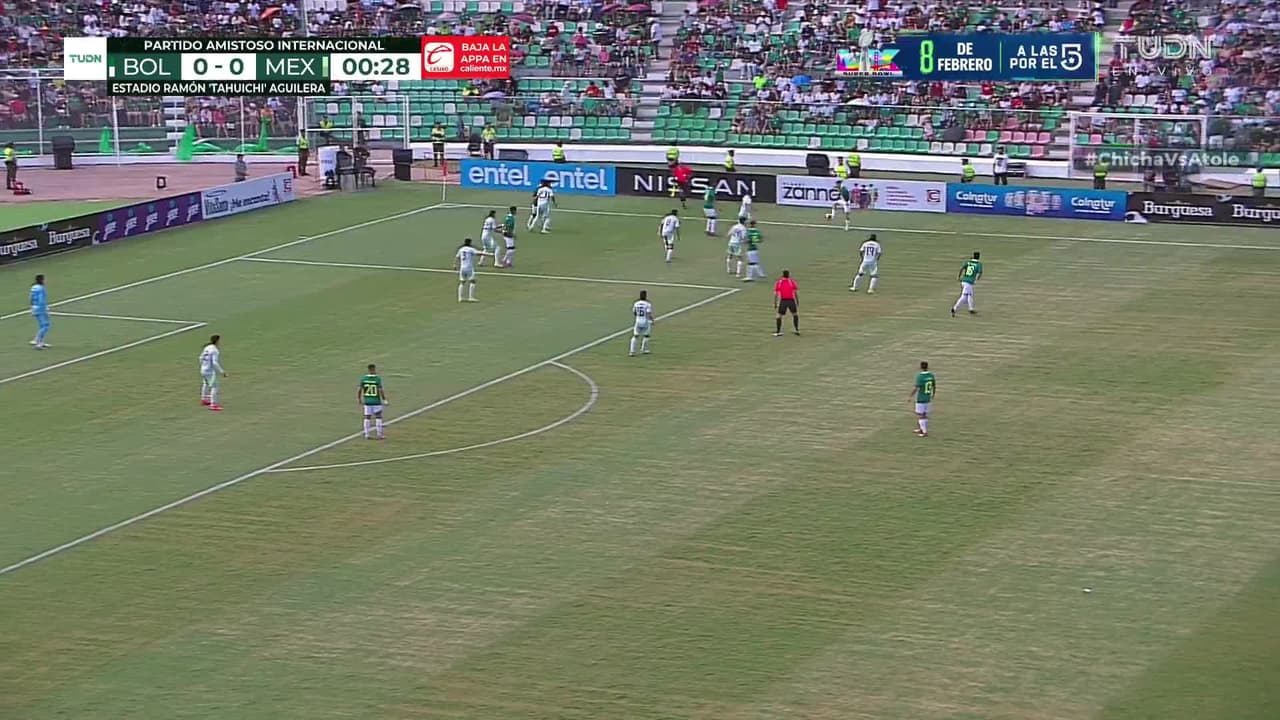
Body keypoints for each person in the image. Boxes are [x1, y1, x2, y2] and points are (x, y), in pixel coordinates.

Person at [455, 237, 490, 302]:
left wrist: (455, 265)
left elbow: (457, 257)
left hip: (462, 268)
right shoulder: (470, 249)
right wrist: (489, 254)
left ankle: (460, 298)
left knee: (462, 282)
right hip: (469, 268)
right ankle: (471, 297)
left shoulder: (461, 249)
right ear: (470, 243)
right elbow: (480, 253)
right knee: (473, 281)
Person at [359, 363, 388, 440]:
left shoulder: (364, 378)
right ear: (373, 369)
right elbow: (380, 390)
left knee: (367, 417)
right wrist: (384, 399)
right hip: (376, 401)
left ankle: (367, 434)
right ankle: (379, 434)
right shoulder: (377, 379)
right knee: (378, 417)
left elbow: (360, 390)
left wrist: (359, 399)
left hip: (367, 401)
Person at [199, 334, 227, 411]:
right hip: (209, 372)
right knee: (215, 386)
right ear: (217, 341)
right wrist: (222, 371)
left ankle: (204, 400)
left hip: (203, 369)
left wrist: (204, 365)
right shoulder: (215, 350)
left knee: (206, 384)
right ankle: (213, 404)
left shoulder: (207, 347)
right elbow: (214, 362)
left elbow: (200, 358)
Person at [952, 251, 983, 316]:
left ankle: (955, 308)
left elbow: (961, 269)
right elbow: (979, 273)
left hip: (964, 281)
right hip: (969, 282)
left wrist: (958, 276)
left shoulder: (968, 262)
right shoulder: (978, 264)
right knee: (969, 295)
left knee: (965, 297)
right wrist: (976, 279)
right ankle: (970, 309)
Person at [910, 361, 936, 438]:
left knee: (921, 415)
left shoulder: (920, 377)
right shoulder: (931, 375)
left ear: (921, 367)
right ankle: (921, 428)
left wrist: (910, 396)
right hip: (928, 397)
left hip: (921, 398)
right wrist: (933, 394)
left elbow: (916, 388)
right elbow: (934, 386)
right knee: (923, 414)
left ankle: (924, 432)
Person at [773, 270, 799, 336]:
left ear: (782, 275)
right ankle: (796, 329)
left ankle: (778, 332)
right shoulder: (791, 282)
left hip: (783, 300)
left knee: (779, 316)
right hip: (791, 300)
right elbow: (795, 292)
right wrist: (797, 301)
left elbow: (776, 294)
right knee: (795, 314)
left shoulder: (779, 282)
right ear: (788, 275)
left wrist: (775, 303)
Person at [629, 290, 653, 356]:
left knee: (635, 336)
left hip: (638, 321)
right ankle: (644, 350)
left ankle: (632, 351)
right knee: (646, 335)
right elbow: (648, 313)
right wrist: (651, 319)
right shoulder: (648, 304)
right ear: (645, 296)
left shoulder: (636, 303)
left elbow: (634, 312)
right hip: (645, 321)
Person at [29, 274, 49, 349]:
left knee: (42, 325)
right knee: (45, 325)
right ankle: (38, 342)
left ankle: (39, 341)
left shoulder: (33, 287)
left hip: (34, 307)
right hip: (40, 308)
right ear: (42, 280)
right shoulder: (41, 289)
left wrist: (32, 307)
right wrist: (45, 310)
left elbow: (30, 298)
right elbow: (41, 300)